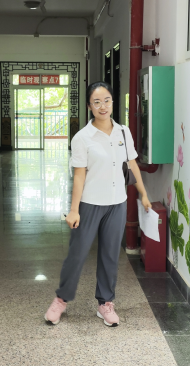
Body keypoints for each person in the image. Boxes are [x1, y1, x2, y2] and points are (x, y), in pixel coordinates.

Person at [45, 82, 152, 327]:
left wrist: (143, 194)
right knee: (77, 254)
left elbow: (132, 165)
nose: (102, 106)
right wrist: (74, 210)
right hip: (90, 204)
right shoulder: (83, 138)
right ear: (89, 106)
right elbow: (79, 175)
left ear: (113, 102)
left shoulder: (123, 132)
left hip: (117, 203)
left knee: (110, 255)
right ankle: (61, 300)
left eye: (106, 101)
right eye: (97, 102)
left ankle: (105, 303)